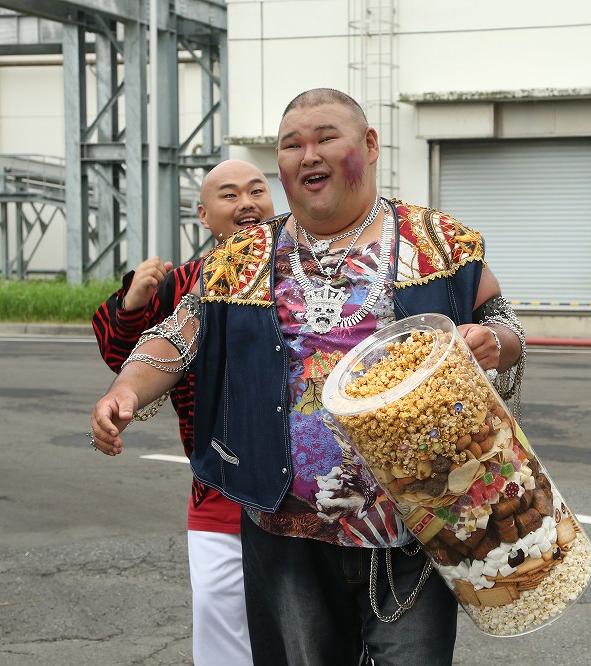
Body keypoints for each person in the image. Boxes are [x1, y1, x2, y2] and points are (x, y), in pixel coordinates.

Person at [90, 88, 526, 666]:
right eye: (291, 145)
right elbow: (178, 334)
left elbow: (502, 321)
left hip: (415, 520)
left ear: (370, 145)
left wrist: (494, 342)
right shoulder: (241, 258)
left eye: (325, 138)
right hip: (283, 527)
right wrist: (125, 388)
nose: (308, 155)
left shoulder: (437, 241)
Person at [90, 159, 275, 666]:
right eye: (230, 195)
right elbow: (126, 358)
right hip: (218, 488)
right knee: (222, 623)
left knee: (310, 631)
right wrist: (133, 302)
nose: (247, 204)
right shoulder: (183, 285)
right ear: (204, 215)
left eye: (257, 191)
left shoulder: (307, 270)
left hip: (310, 491)